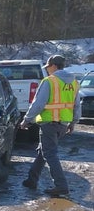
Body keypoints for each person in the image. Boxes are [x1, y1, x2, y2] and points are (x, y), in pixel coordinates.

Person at [19, 54, 81, 197]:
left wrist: (26, 120)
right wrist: (73, 122)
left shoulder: (49, 81)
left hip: (49, 123)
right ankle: (31, 179)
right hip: (62, 125)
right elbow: (77, 105)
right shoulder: (74, 83)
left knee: (50, 154)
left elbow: (38, 104)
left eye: (48, 67)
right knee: (45, 151)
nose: (47, 70)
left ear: (54, 66)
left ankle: (61, 186)